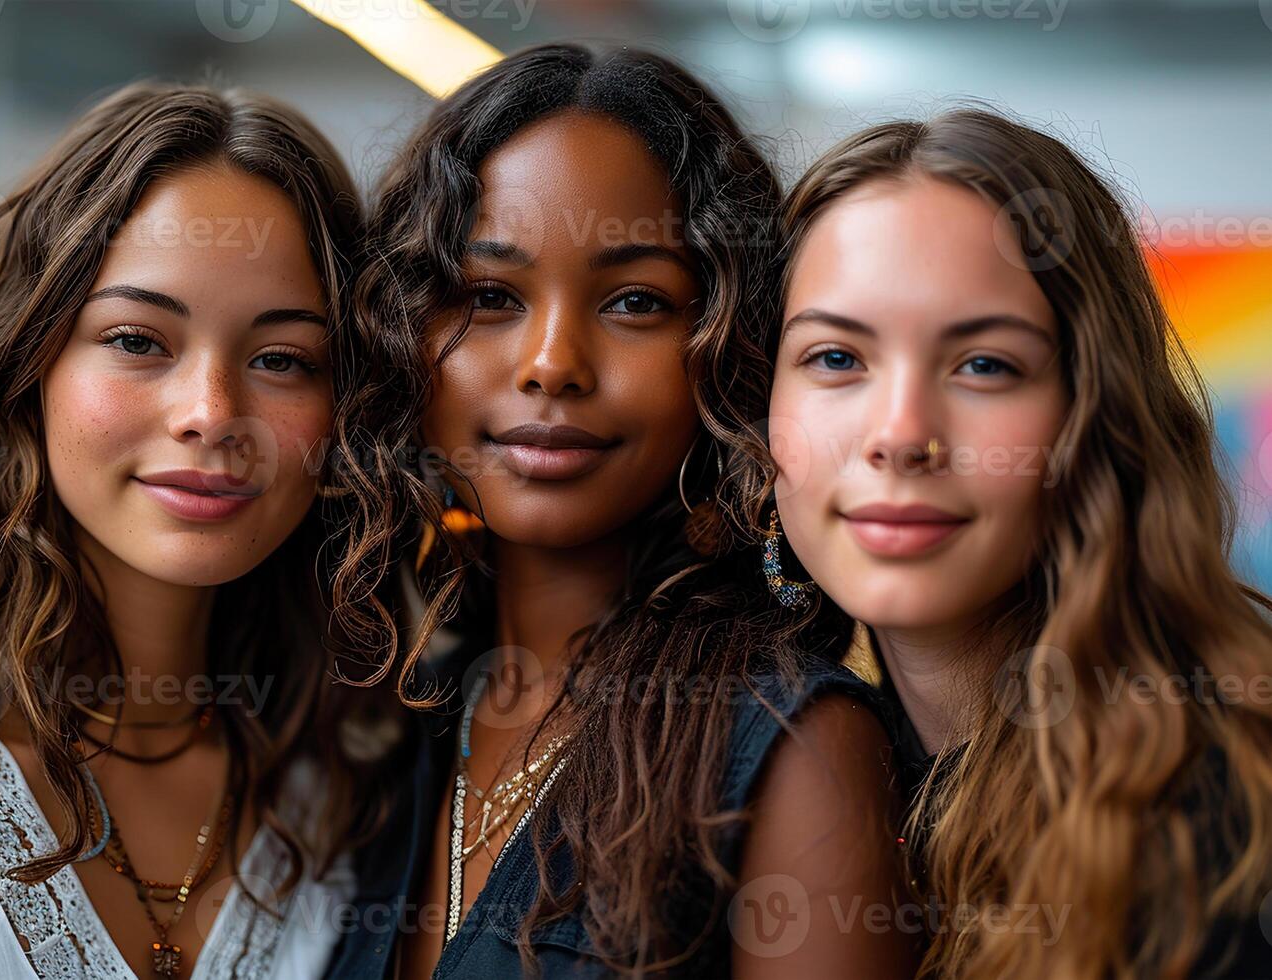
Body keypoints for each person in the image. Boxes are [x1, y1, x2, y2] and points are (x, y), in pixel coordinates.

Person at [329, 43, 919, 979]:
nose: (551, 362)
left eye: (635, 300)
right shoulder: (401, 717)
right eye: (488, 295)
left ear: (727, 348)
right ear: (404, 331)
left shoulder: (792, 745)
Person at [0, 81, 402, 979]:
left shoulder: (348, 800)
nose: (212, 413)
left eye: (282, 359)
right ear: (28, 365)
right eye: (139, 340)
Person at [767, 107, 1272, 979]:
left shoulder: (1225, 811)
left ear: (1094, 415)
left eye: (984, 365)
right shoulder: (804, 766)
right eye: (836, 358)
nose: (899, 434)